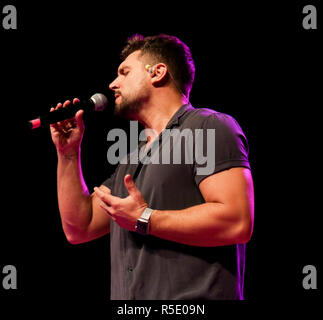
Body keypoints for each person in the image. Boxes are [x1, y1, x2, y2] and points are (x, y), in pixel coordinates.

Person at [50, 34, 254, 300]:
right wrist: (67, 154)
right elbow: (80, 227)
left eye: (124, 72)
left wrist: (146, 219)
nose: (113, 84)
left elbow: (237, 221)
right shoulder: (130, 161)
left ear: (157, 72)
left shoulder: (209, 126)